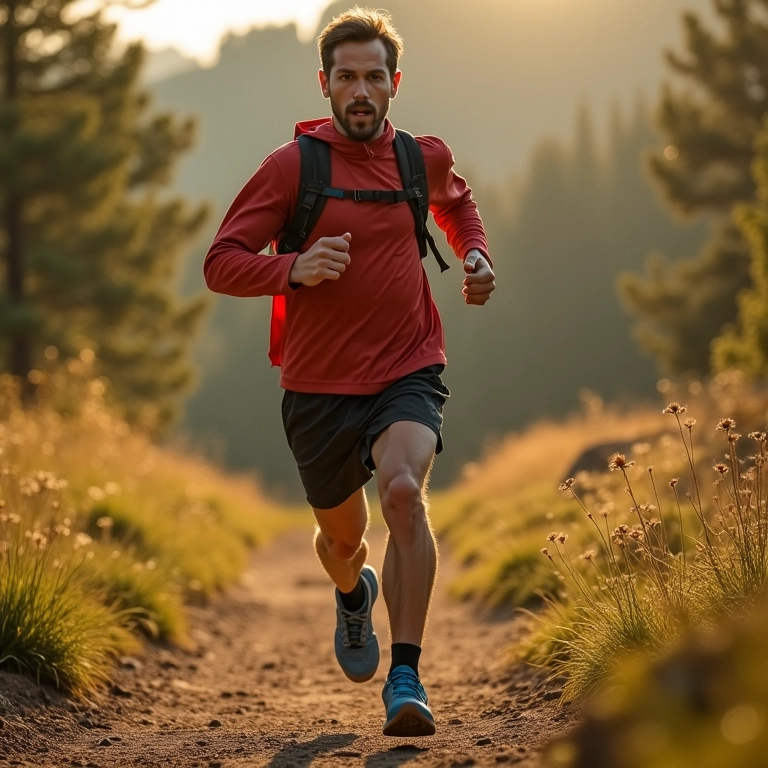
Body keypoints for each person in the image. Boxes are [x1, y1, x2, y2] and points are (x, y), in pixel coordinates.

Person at [203, 7, 495, 737]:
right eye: (346, 77)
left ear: (394, 83)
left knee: (404, 493)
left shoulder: (417, 159)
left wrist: (477, 255)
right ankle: (352, 591)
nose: (360, 89)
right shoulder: (291, 168)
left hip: (409, 365)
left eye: (373, 76)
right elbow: (220, 263)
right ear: (325, 85)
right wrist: (293, 268)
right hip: (316, 386)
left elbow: (457, 204)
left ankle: (406, 675)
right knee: (343, 542)